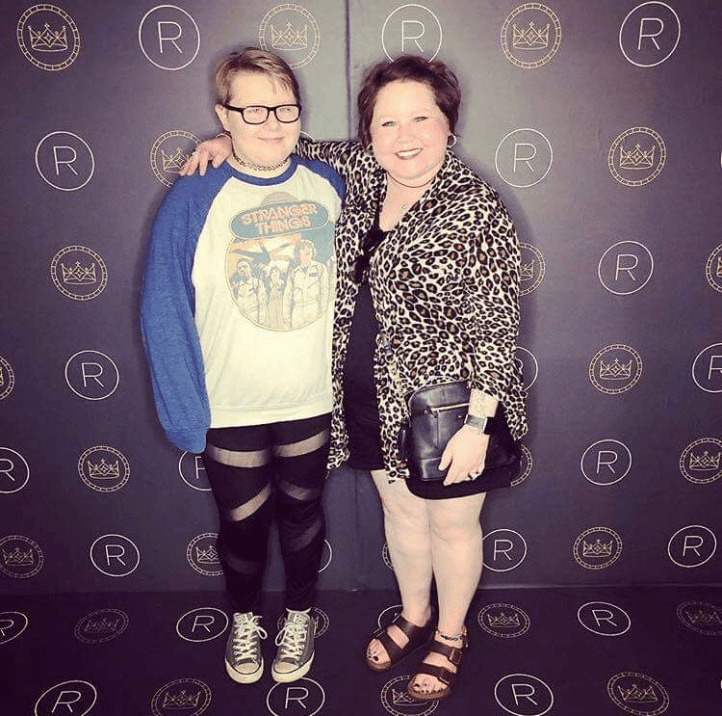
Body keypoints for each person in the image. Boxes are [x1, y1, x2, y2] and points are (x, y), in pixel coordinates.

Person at [186, 55, 528, 702]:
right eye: (387, 122)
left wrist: (479, 424)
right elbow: (289, 142)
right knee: (401, 514)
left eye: (421, 118)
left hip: (449, 408)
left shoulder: (477, 208)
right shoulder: (367, 171)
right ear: (370, 132)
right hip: (371, 397)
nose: (404, 136)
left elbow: (496, 326)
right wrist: (226, 142)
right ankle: (415, 615)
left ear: (449, 123)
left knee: (452, 526)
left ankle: (450, 636)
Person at [141, 48, 343, 686]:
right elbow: (162, 303)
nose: (272, 122)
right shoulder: (193, 194)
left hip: (309, 398)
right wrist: (185, 412)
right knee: (242, 524)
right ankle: (246, 619)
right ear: (223, 115)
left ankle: (300, 615)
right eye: (252, 109)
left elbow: (391, 156)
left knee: (304, 517)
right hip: (229, 403)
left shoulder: (331, 182)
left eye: (284, 108)